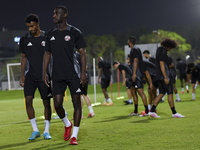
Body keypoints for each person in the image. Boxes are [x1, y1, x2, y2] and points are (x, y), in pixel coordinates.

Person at [43, 5, 88, 145]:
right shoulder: (50, 34)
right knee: (57, 105)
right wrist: (44, 72)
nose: (54, 15)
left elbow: (82, 53)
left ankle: (74, 136)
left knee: (77, 105)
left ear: (65, 15)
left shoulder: (74, 32)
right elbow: (47, 54)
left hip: (73, 74)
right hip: (56, 74)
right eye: (53, 13)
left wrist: (83, 73)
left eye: (57, 13)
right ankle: (67, 123)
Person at [19, 14, 52, 140]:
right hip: (30, 76)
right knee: (28, 100)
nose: (30, 29)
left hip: (44, 76)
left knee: (46, 102)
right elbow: (23, 57)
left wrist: (49, 73)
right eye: (28, 27)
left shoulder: (47, 37)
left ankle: (46, 131)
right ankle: (35, 130)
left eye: (32, 26)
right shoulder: (24, 39)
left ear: (38, 24)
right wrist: (22, 75)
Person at [149, 38, 185, 118]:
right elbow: (162, 64)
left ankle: (152, 111)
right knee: (170, 93)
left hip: (159, 76)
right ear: (168, 46)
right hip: (164, 76)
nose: (170, 49)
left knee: (161, 93)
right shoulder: (163, 51)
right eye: (170, 47)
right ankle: (174, 113)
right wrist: (165, 77)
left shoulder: (159, 50)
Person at [127, 36, 149, 117]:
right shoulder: (134, 49)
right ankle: (136, 111)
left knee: (140, 92)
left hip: (137, 74)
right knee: (133, 91)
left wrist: (134, 73)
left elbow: (136, 61)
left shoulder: (134, 49)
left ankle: (147, 111)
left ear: (129, 42)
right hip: (135, 73)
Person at [75, 52, 95, 118]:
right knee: (85, 94)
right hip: (85, 76)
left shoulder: (74, 56)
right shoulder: (81, 54)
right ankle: (91, 111)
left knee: (80, 95)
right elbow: (85, 66)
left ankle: (80, 114)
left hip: (79, 77)